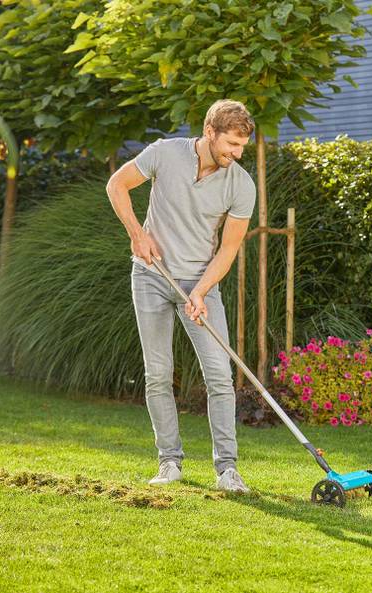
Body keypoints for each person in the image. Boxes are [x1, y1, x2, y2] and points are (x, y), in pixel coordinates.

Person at [105, 100, 256, 492]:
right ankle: (169, 462)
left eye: (242, 147)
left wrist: (202, 291)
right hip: (152, 277)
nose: (236, 154)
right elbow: (116, 185)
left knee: (220, 376)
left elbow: (227, 250)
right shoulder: (165, 153)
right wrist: (138, 235)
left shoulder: (241, 184)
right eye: (231, 145)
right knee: (157, 374)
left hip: (200, 283)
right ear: (210, 132)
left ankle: (227, 469)